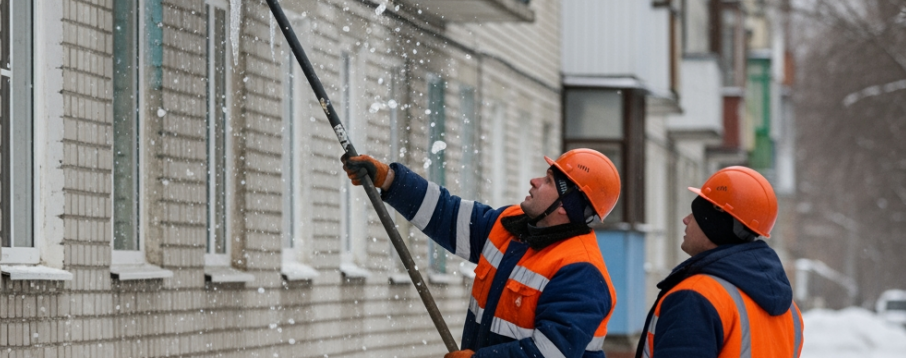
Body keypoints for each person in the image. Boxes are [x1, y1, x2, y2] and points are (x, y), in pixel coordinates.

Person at [342, 148, 621, 358]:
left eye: (548, 181)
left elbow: (550, 353)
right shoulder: (512, 227)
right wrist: (389, 179)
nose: (535, 181)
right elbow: (446, 214)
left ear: (565, 205)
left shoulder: (580, 272)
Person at [635, 166, 804, 358]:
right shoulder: (789, 311)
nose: (686, 220)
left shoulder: (694, 298)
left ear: (715, 224)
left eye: (696, 214)